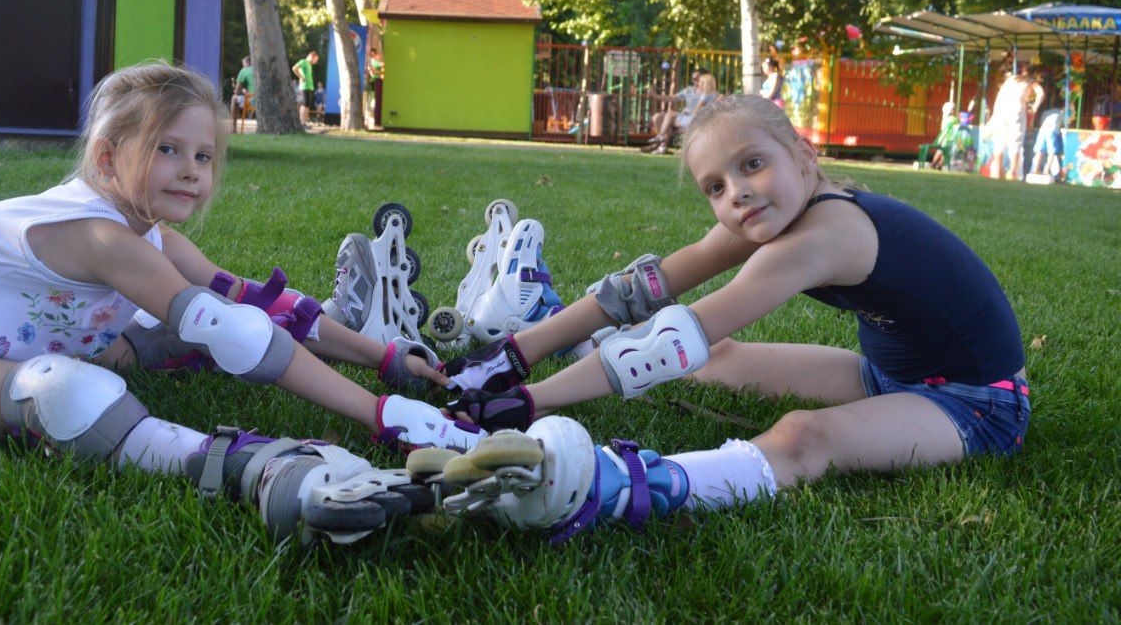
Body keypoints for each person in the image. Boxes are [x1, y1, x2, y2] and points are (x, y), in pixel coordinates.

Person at [0, 62, 481, 543]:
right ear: (107, 156)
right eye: (167, 149)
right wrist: (383, 415)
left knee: (175, 328)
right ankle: (252, 466)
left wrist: (384, 359)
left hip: (10, 345)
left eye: (203, 155)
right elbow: (239, 334)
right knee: (64, 391)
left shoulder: (154, 237)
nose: (191, 170)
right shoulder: (99, 238)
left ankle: (331, 347)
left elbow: (259, 306)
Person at [430, 94, 1027, 541]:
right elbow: (642, 290)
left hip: (976, 405)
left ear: (803, 155)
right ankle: (560, 333)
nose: (737, 192)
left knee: (803, 436)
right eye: (715, 186)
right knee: (718, 358)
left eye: (753, 164)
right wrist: (519, 352)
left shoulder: (826, 234)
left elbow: (672, 340)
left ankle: (614, 488)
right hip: (885, 374)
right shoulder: (773, 210)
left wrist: (528, 401)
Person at [646, 69, 719, 155]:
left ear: (704, 79)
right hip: (688, 117)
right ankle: (662, 144)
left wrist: (691, 114)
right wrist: (655, 96)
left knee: (670, 115)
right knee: (658, 117)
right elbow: (672, 98)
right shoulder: (690, 90)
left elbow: (700, 107)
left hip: (693, 118)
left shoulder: (707, 93)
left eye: (697, 79)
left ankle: (661, 139)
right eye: (693, 79)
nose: (694, 81)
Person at [983, 62, 1032, 179]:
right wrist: (1034, 107)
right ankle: (1013, 173)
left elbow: (998, 102)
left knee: (999, 144)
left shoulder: (1008, 83)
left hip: (1002, 114)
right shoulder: (1028, 82)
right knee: (1015, 144)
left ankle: (998, 172)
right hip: (1016, 114)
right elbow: (1040, 93)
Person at [925, 100, 960, 170]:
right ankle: (939, 165)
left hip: (943, 139)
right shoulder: (953, 119)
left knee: (939, 152)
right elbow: (958, 123)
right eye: (953, 109)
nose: (954, 110)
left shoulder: (945, 119)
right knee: (945, 153)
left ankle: (934, 164)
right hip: (948, 139)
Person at [293, 51, 320, 125]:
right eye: (315, 59)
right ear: (312, 56)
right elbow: (294, 68)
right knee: (304, 104)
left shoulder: (309, 65)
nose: (316, 62)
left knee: (307, 105)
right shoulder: (303, 62)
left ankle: (304, 121)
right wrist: (301, 77)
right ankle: (301, 122)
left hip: (310, 87)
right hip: (304, 87)